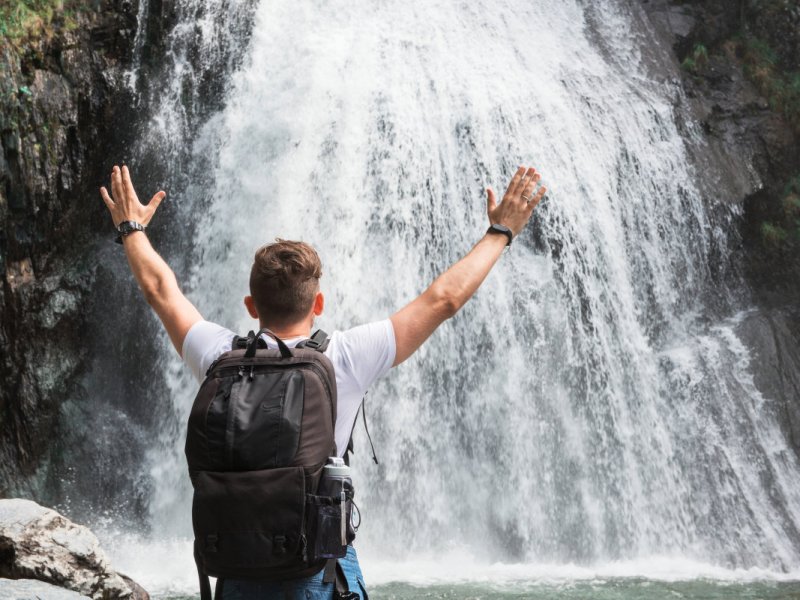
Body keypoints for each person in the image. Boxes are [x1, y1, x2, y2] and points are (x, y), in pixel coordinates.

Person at [100, 163, 546, 599]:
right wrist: (499, 233)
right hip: (319, 570)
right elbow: (443, 299)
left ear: (252, 305)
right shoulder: (345, 356)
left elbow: (161, 289)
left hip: (237, 568)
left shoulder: (219, 355)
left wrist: (132, 228)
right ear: (319, 303)